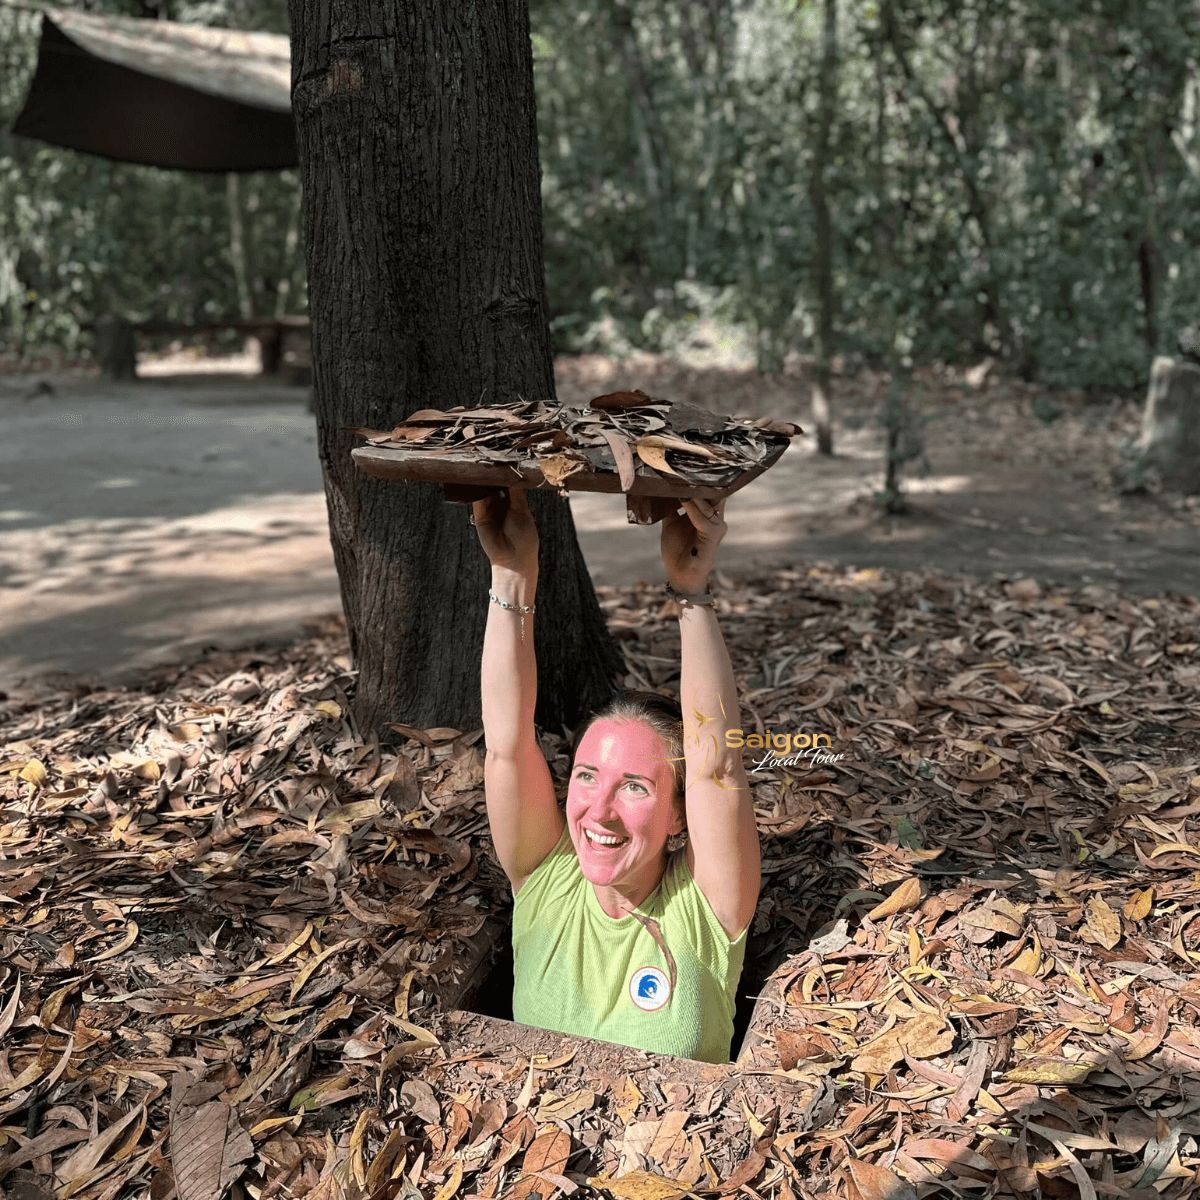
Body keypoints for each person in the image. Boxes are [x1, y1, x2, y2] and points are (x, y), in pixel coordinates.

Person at [472, 487, 761, 1064]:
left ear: (679, 813)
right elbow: (506, 742)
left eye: (635, 786)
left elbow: (715, 768)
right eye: (586, 776)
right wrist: (511, 574)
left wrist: (691, 594)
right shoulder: (543, 876)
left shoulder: (706, 907)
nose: (598, 811)